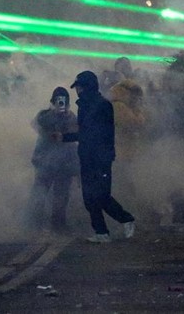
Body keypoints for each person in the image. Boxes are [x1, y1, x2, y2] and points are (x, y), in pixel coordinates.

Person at [59, 70, 135, 243]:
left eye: (78, 87)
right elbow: (84, 133)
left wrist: (104, 154)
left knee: (101, 196)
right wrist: (64, 138)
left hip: (100, 158)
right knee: (89, 197)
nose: (76, 90)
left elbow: (98, 134)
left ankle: (126, 219)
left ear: (86, 87)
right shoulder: (84, 106)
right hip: (87, 156)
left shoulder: (102, 105)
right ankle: (101, 232)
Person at [30, 87, 79, 231]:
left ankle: (58, 223)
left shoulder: (71, 117)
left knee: (61, 195)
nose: (61, 105)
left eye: (63, 102)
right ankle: (34, 222)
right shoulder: (44, 116)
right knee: (40, 192)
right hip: (45, 161)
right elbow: (37, 125)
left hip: (64, 162)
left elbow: (75, 134)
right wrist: (54, 115)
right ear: (52, 102)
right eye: (58, 101)